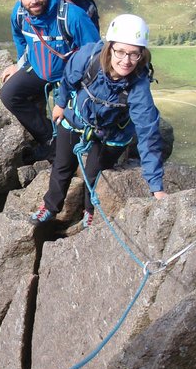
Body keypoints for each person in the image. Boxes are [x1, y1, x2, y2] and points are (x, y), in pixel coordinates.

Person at [30, 13, 168, 227]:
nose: (126, 60)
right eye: (120, 51)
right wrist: (60, 103)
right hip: (78, 117)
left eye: (134, 54)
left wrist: (156, 187)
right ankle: (50, 206)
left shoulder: (138, 87)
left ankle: (89, 209)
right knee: (62, 165)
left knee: (94, 173)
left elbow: (148, 135)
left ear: (142, 55)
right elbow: (68, 79)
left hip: (112, 131)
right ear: (110, 47)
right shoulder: (88, 57)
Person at [1, 0, 100, 161]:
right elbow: (20, 37)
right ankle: (49, 140)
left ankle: (68, 152)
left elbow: (94, 53)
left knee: (66, 119)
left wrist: (73, 91)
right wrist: (19, 64)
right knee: (9, 94)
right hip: (39, 68)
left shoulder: (72, 15)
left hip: (71, 77)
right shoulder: (19, 13)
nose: (34, 0)